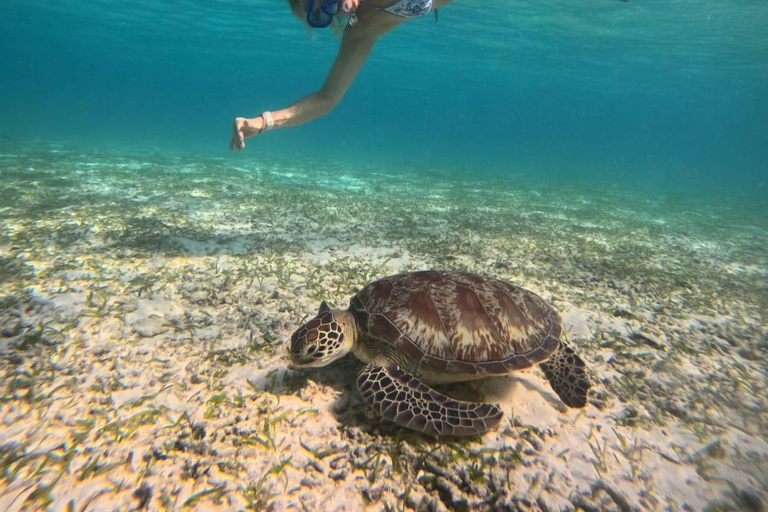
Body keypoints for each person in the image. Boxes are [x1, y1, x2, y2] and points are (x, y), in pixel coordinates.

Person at [230, 0, 455, 151]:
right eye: (323, 14)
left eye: (329, 1)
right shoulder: (362, 28)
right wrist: (263, 122)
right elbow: (327, 98)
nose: (337, 10)